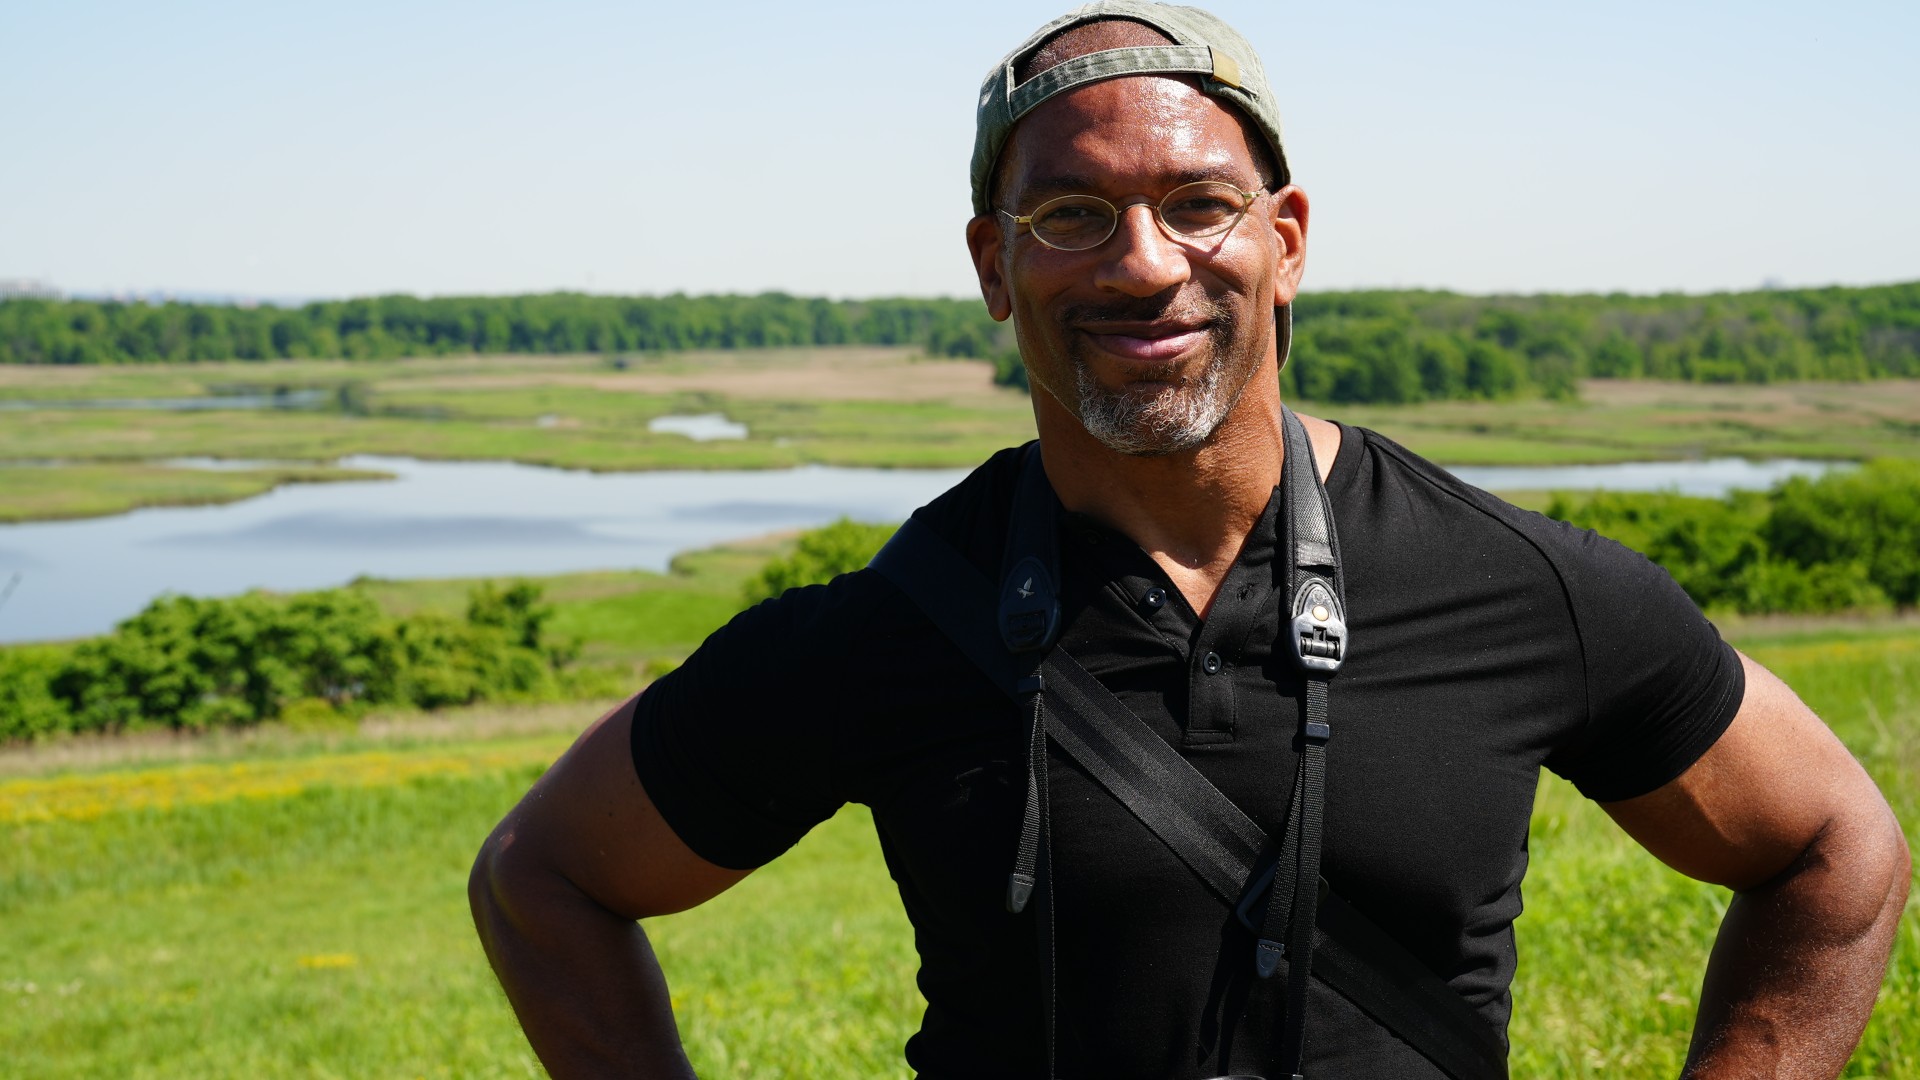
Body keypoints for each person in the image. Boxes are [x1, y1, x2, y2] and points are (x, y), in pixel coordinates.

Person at [469, 3, 1910, 1077]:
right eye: (1073, 215)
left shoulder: (1510, 585)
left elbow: (1833, 847)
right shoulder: (899, 623)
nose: (1144, 263)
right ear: (993, 264)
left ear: (1286, 239)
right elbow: (544, 878)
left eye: (1199, 206)